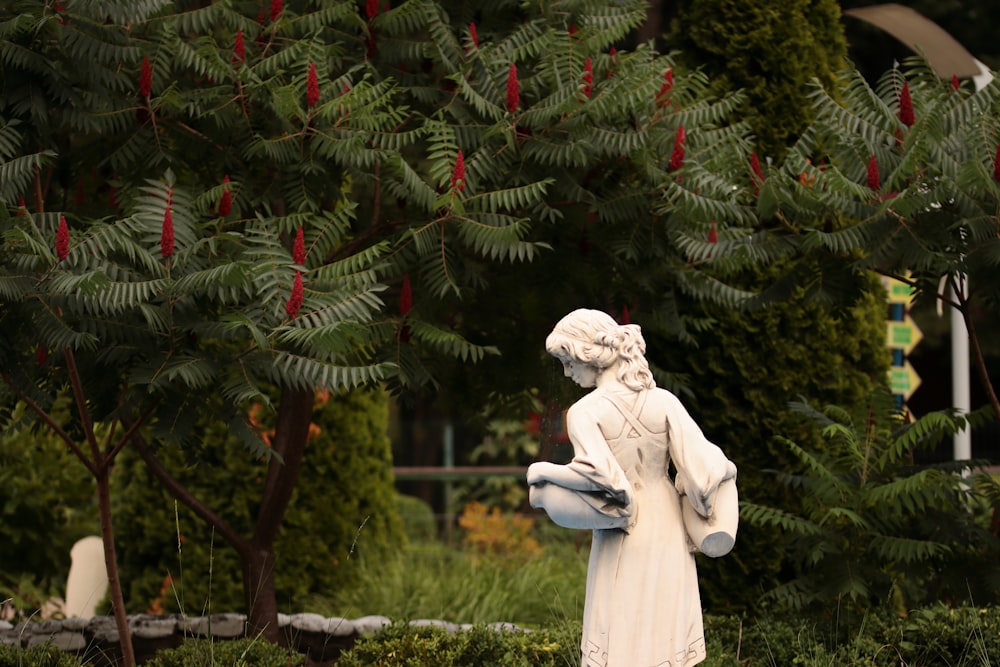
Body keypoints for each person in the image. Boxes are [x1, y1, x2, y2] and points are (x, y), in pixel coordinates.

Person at [527, 308, 737, 667]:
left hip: (623, 528)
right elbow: (705, 465)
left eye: (567, 360)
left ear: (588, 354)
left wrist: (545, 471)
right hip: (667, 519)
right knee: (663, 619)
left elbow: (608, 482)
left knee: (620, 619)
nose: (567, 371)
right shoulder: (664, 401)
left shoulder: (585, 411)